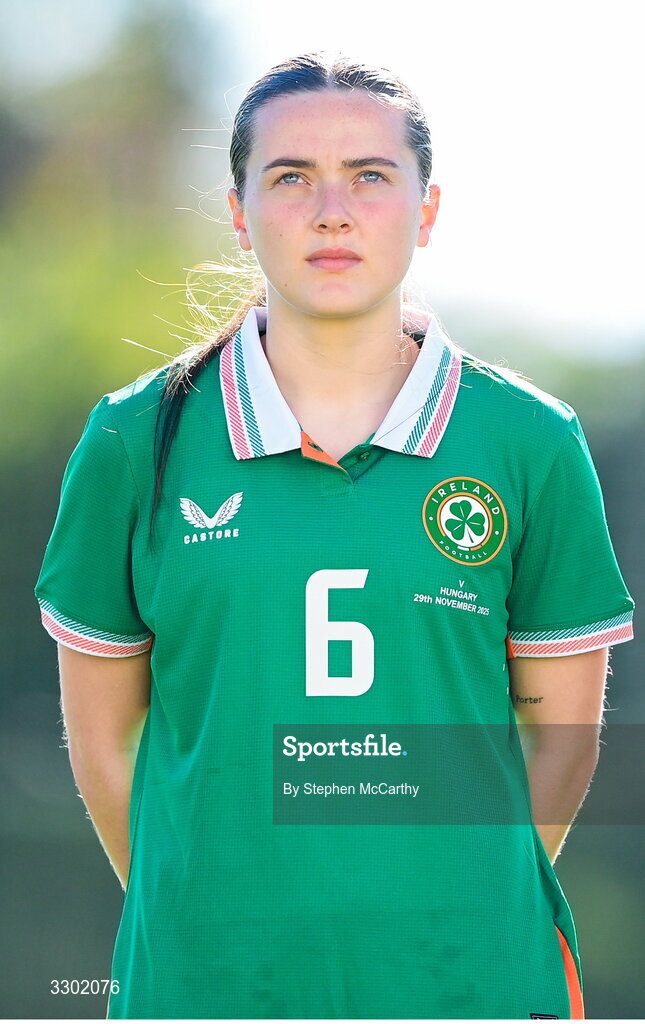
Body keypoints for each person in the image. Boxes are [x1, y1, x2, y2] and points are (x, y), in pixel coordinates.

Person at [34, 51, 635, 1020]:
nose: (331, 210)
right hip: (207, 985)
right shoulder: (133, 438)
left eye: (370, 176)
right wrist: (210, 909)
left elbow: (557, 740)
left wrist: (449, 897)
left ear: (427, 209)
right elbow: (106, 744)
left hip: (472, 983)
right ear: (238, 211)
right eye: (289, 178)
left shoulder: (530, 440)